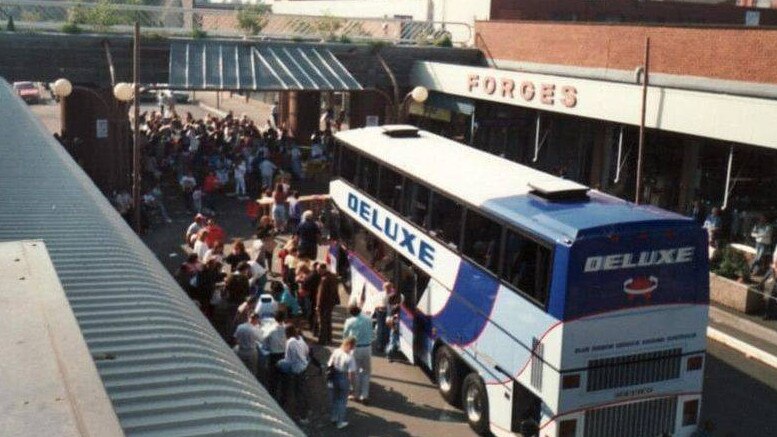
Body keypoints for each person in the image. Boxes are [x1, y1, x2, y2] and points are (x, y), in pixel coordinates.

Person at [277, 324, 310, 423]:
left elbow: (288, 359)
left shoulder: (290, 342)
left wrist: (279, 363)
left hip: (296, 369)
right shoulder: (300, 338)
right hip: (303, 366)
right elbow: (307, 351)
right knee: (302, 391)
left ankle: (302, 416)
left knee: (298, 393)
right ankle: (305, 411)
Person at [342, 305, 373, 403]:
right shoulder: (368, 319)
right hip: (367, 347)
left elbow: (345, 335)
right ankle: (364, 395)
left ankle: (355, 394)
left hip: (355, 349)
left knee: (355, 372)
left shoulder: (349, 321)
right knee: (366, 372)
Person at [326, 336, 357, 430]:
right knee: (342, 401)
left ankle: (333, 417)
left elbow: (329, 364)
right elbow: (351, 373)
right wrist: (352, 386)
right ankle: (340, 422)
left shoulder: (336, 351)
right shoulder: (350, 357)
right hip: (343, 378)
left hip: (334, 376)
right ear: (351, 346)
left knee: (334, 399)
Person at [261, 310, 288, 398]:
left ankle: (272, 397)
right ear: (283, 318)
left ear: (275, 319)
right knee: (284, 378)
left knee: (273, 378)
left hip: (273, 356)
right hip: (284, 355)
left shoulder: (270, 330)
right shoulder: (287, 329)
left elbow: (264, 344)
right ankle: (284, 398)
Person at [316, 263, 339, 345]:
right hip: (331, 302)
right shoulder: (333, 276)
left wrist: (318, 305)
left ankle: (322, 340)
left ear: (323, 269)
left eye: (318, 270)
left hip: (324, 304)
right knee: (328, 321)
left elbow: (320, 294)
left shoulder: (324, 279)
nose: (318, 272)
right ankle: (329, 339)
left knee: (322, 322)